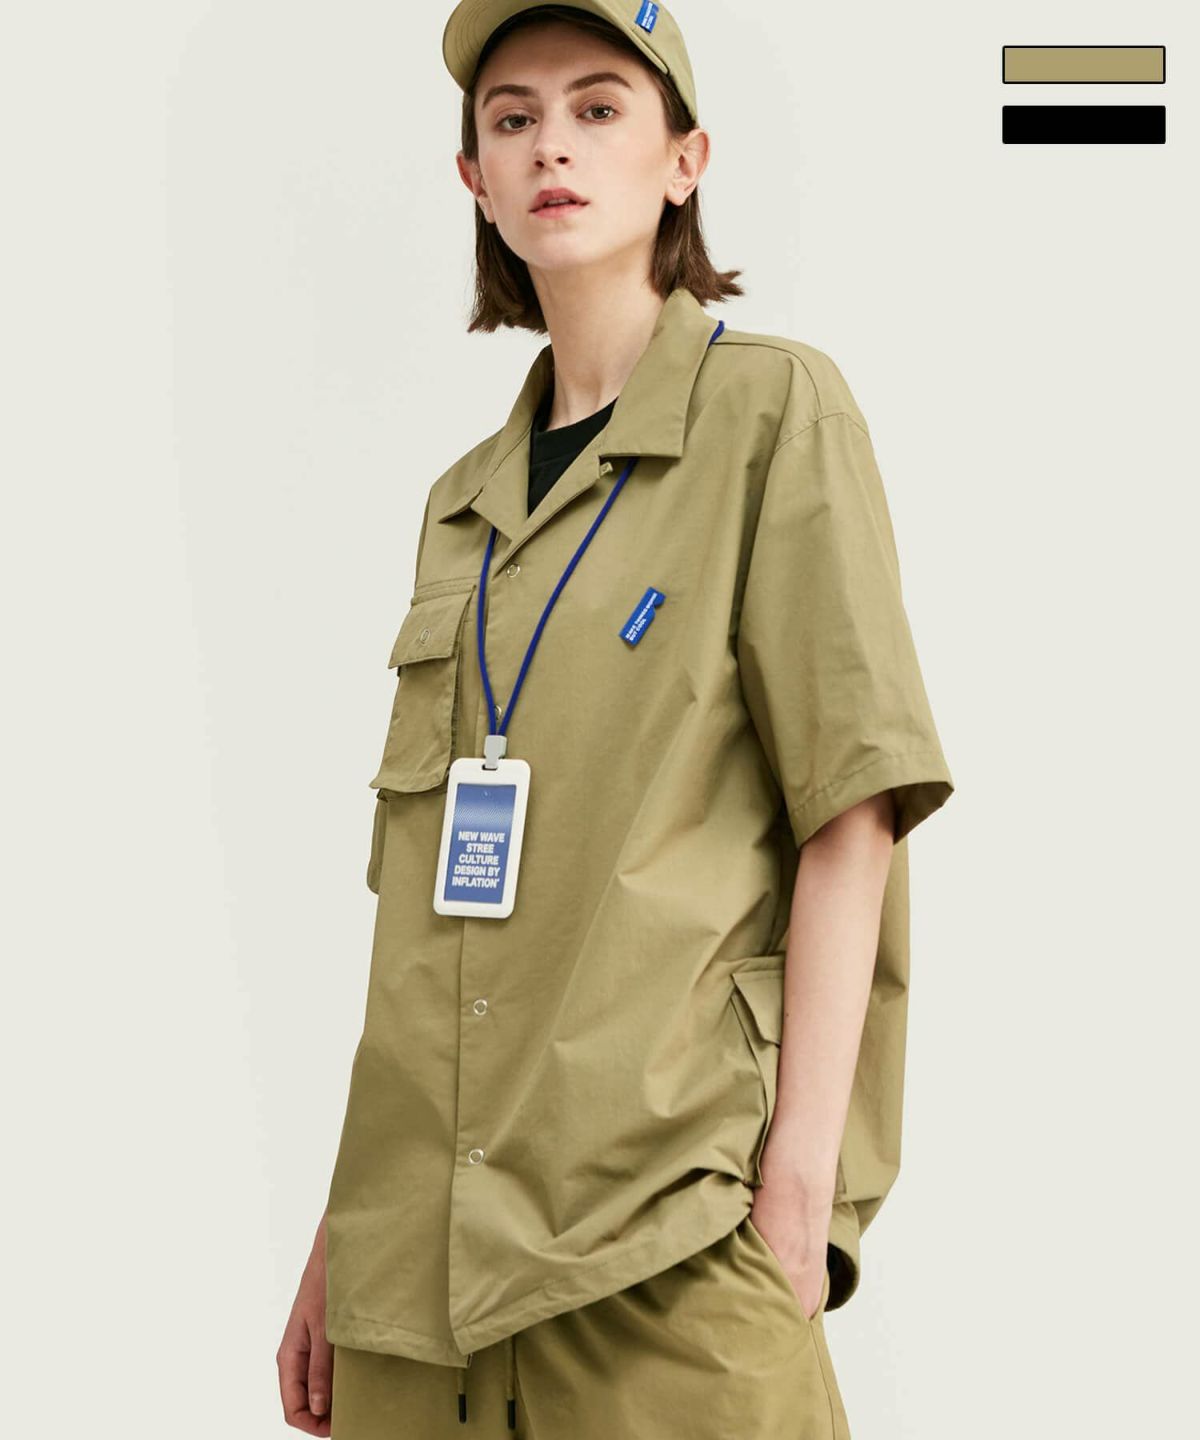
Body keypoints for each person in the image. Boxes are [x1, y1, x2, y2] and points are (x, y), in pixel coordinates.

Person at [276, 3, 955, 1436]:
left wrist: (797, 1196)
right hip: (417, 1290)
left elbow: (854, 814)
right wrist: (345, 1229)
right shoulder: (461, 507)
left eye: (598, 109)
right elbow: (422, 928)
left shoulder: (774, 414)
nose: (552, 149)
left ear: (684, 160)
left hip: (659, 1244)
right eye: (513, 120)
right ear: (474, 179)